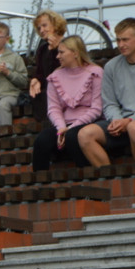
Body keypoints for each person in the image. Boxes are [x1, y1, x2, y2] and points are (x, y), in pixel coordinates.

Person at [77, 18, 135, 167]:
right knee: (84, 135)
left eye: (125, 40)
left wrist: (129, 121)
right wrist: (116, 120)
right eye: (118, 40)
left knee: (134, 128)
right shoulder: (111, 66)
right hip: (120, 121)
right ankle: (110, 180)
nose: (121, 45)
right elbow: (109, 102)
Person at [32, 35, 104, 171]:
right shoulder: (55, 76)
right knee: (42, 140)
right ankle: (39, 184)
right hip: (64, 125)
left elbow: (97, 108)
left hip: (88, 123)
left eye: (61, 52)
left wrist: (70, 129)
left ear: (75, 53)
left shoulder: (95, 72)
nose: (57, 56)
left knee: (73, 137)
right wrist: (61, 129)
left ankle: (86, 179)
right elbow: (53, 109)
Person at [27, 10, 68, 123]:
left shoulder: (68, 44)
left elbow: (68, 68)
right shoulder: (42, 49)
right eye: (39, 28)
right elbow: (40, 72)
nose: (42, 30)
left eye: (44, 25)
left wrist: (57, 49)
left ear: (55, 24)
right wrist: (36, 80)